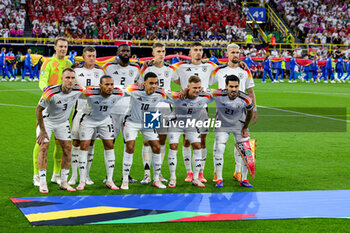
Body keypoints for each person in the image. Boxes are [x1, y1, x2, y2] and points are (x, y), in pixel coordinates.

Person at [210, 43, 257, 182]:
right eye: (233, 52)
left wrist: (254, 109)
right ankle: (216, 173)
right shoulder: (218, 71)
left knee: (242, 145)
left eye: (237, 52)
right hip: (223, 114)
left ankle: (238, 173)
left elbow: (250, 91)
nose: (236, 55)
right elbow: (206, 83)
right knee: (218, 145)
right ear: (227, 54)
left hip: (241, 113)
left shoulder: (245, 71)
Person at [172, 42, 217, 183]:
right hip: (185, 108)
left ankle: (200, 172)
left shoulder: (209, 67)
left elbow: (222, 73)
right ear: (190, 52)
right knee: (186, 140)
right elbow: (171, 77)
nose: (198, 52)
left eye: (200, 50)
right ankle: (189, 172)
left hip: (202, 107)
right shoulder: (182, 67)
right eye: (195, 50)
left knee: (202, 140)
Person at [35, 68, 84, 193]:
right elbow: (38, 110)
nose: (70, 80)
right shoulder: (51, 92)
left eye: (73, 78)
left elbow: (94, 90)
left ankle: (63, 182)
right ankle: (42, 182)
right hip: (47, 121)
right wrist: (42, 130)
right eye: (67, 78)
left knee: (67, 149)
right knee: (44, 148)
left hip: (62, 123)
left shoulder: (78, 89)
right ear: (62, 79)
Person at [32, 37, 73, 187]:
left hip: (63, 108)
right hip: (49, 105)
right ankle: (36, 175)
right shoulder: (48, 63)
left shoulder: (69, 64)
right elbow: (42, 80)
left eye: (65, 47)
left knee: (59, 142)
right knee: (42, 142)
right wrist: (47, 91)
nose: (63, 49)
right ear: (55, 47)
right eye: (61, 46)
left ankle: (56, 174)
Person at [137, 42, 177, 184]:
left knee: (161, 140)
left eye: (163, 51)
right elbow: (138, 84)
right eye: (159, 51)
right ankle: (147, 174)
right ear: (153, 53)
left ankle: (158, 174)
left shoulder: (170, 69)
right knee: (148, 140)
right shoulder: (147, 69)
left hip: (166, 107)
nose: (161, 54)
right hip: (151, 108)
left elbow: (179, 81)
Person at [121, 72, 168, 190]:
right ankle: (125, 180)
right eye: (151, 83)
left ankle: (156, 179)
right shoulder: (134, 90)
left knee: (157, 147)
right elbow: (118, 89)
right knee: (130, 146)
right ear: (144, 83)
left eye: (156, 83)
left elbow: (176, 97)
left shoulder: (160, 93)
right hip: (132, 120)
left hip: (150, 118)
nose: (154, 86)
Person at [76, 75, 123, 191]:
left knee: (110, 145)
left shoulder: (118, 92)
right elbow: (75, 92)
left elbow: (132, 89)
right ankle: (82, 181)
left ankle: (109, 180)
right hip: (89, 120)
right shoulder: (90, 93)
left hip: (105, 120)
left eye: (111, 84)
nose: (110, 87)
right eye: (107, 84)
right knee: (84, 147)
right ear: (100, 85)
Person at [167, 75, 213, 188]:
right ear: (188, 87)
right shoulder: (177, 96)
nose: (197, 90)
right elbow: (161, 92)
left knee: (198, 146)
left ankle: (196, 178)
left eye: (199, 88)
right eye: (194, 88)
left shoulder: (205, 96)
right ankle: (173, 178)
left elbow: (220, 92)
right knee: (173, 146)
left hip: (191, 125)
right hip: (176, 124)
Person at [103, 43, 140, 183]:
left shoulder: (136, 67)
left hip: (129, 111)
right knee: (110, 143)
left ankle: (126, 175)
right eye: (123, 50)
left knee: (129, 144)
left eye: (127, 50)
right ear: (117, 52)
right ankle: (109, 176)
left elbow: (139, 84)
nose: (125, 52)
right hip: (111, 111)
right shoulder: (108, 67)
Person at [69, 46, 105, 186]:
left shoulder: (100, 71)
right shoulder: (77, 71)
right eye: (89, 56)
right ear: (83, 57)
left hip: (94, 112)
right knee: (77, 142)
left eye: (94, 55)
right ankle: (74, 175)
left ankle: (87, 175)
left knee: (91, 143)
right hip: (79, 110)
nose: (92, 58)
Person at [212, 75, 253, 188]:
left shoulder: (245, 98)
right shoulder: (218, 93)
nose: (234, 89)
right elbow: (202, 92)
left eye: (236, 86)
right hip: (222, 125)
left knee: (247, 151)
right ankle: (219, 179)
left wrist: (245, 127)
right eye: (231, 86)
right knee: (219, 149)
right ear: (226, 86)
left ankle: (244, 179)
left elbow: (250, 112)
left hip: (239, 125)